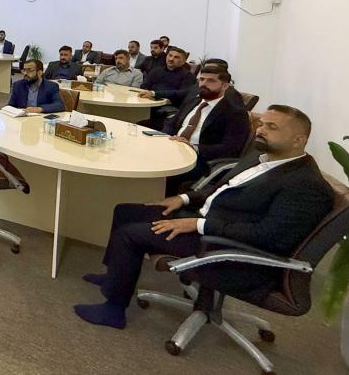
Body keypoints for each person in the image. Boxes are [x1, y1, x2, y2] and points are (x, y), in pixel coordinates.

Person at [73, 105, 333, 330]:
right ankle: (113, 276)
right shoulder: (263, 157)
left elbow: (269, 236)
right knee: (125, 212)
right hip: (208, 219)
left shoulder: (306, 185)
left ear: (299, 140)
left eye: (272, 127)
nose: (261, 130)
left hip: (227, 248)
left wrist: (198, 224)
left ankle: (113, 311)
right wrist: (184, 199)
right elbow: (223, 188)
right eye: (262, 124)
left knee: (130, 235)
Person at [161, 67, 251, 194]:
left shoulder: (235, 113)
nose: (203, 84)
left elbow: (230, 147)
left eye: (211, 81)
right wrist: (166, 136)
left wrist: (194, 147)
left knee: (161, 170)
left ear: (225, 86)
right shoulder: (194, 101)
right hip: (173, 148)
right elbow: (171, 122)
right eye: (202, 79)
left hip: (199, 159)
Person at [138, 46, 196, 128]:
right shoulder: (156, 71)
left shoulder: (188, 76)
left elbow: (182, 93)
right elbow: (144, 86)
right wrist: (150, 93)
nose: (171, 59)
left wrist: (155, 93)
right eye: (170, 55)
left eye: (176, 57)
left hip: (169, 109)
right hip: (148, 105)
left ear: (183, 62)